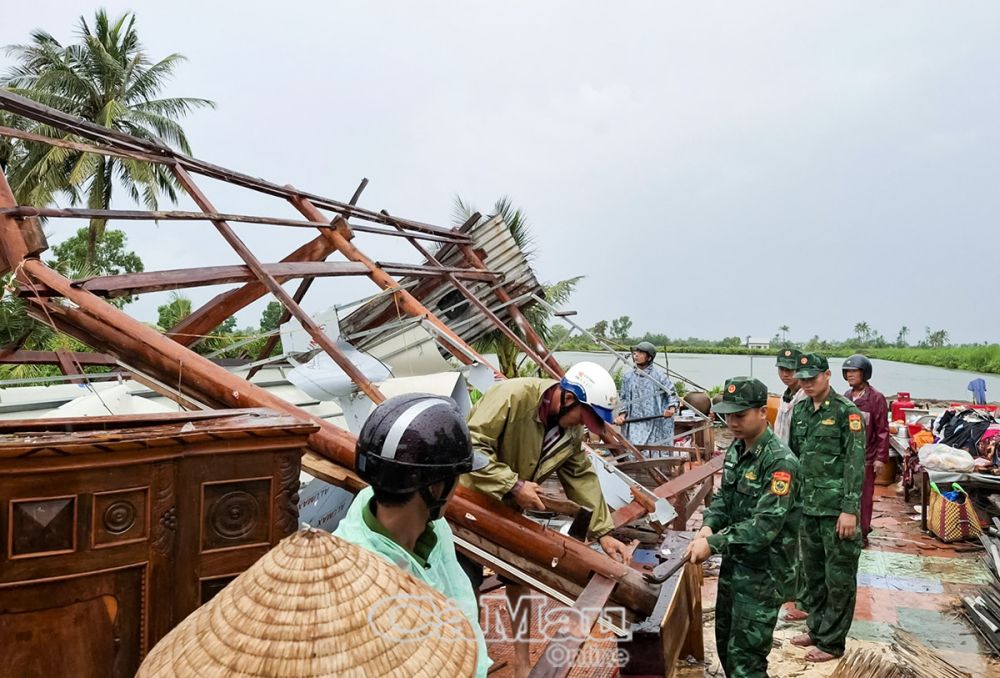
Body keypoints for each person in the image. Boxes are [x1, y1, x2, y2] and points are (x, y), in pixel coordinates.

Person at [460, 361, 632, 676]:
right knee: (465, 582)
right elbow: (470, 446)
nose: (585, 425)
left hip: (509, 510)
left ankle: (523, 664)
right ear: (568, 397)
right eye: (585, 416)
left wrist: (604, 532)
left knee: (517, 577)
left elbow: (581, 476)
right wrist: (514, 484)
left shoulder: (571, 429)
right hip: (468, 503)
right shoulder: (513, 396)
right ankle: (468, 660)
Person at [335, 393, 492, 678]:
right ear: (435, 488)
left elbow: (458, 601)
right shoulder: (360, 580)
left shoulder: (430, 528)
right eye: (456, 479)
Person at [684, 376, 800, 678]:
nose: (732, 422)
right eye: (728, 415)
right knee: (725, 646)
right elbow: (725, 497)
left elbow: (765, 526)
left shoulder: (779, 463)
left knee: (746, 661)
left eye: (740, 415)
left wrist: (713, 544)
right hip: (736, 567)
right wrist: (709, 526)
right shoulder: (737, 450)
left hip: (764, 574)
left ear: (763, 412)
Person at [787, 353, 865, 663]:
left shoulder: (848, 412)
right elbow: (794, 457)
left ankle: (832, 643)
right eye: (802, 378)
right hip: (808, 507)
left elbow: (856, 463)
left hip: (836, 511)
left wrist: (849, 509)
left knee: (839, 577)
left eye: (812, 378)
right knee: (814, 574)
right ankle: (817, 628)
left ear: (827, 376)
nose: (806, 383)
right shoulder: (801, 411)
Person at [842, 354, 889, 547]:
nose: (850, 375)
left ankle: (862, 532)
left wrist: (880, 458)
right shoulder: (845, 397)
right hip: (847, 455)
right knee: (846, 493)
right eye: (848, 372)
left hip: (867, 457)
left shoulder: (876, 398)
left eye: (855, 371)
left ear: (865, 373)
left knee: (865, 497)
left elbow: (883, 430)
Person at [614, 341, 681, 455]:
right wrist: (622, 415)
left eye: (641, 353)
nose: (636, 355)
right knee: (633, 450)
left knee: (653, 452)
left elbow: (672, 393)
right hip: (634, 421)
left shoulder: (659, 376)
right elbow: (624, 398)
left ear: (649, 357)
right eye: (636, 352)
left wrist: (672, 408)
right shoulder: (628, 376)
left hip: (654, 420)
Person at [774, 347, 808, 443]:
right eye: (781, 369)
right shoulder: (785, 397)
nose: (784, 374)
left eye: (789, 369)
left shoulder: (806, 397)